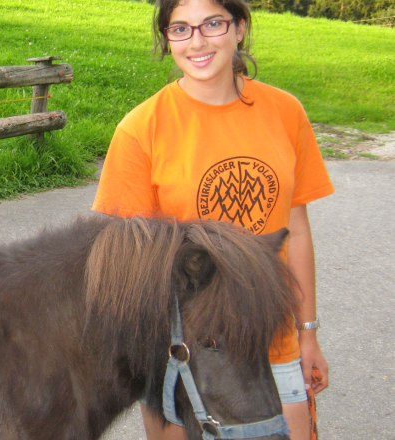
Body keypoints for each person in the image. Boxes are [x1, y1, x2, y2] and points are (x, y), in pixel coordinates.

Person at [92, 0, 332, 438]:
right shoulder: (141, 129)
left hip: (274, 341)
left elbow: (295, 230)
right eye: (180, 29)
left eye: (212, 24)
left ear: (239, 28)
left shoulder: (285, 112)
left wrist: (308, 333)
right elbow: (122, 269)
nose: (197, 41)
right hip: (185, 357)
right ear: (167, 39)